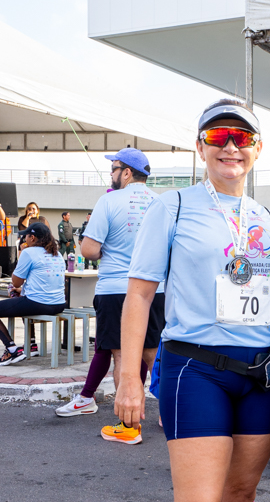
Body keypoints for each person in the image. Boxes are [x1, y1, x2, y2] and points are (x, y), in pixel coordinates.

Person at [114, 97, 270, 502]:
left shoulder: (265, 215)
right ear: (201, 145)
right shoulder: (174, 204)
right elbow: (138, 297)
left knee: (241, 495)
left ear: (258, 149)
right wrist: (130, 379)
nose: (231, 145)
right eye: (219, 135)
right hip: (196, 369)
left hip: (261, 371)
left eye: (243, 137)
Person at [55, 150, 163, 435]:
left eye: (113, 168)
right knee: (154, 355)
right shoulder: (161, 202)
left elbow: (89, 249)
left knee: (121, 355)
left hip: (117, 288)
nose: (111, 174)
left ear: (126, 172)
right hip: (157, 288)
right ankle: (170, 415)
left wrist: (108, 250)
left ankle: (129, 426)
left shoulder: (109, 200)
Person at [0, 222, 66, 364]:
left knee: (23, 300)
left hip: (39, 303)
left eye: (26, 237)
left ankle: (12, 350)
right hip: (59, 303)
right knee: (23, 298)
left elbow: (16, 282)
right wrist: (21, 290)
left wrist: (18, 286)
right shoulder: (57, 253)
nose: (24, 240)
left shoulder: (28, 252)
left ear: (33, 238)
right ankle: (31, 344)